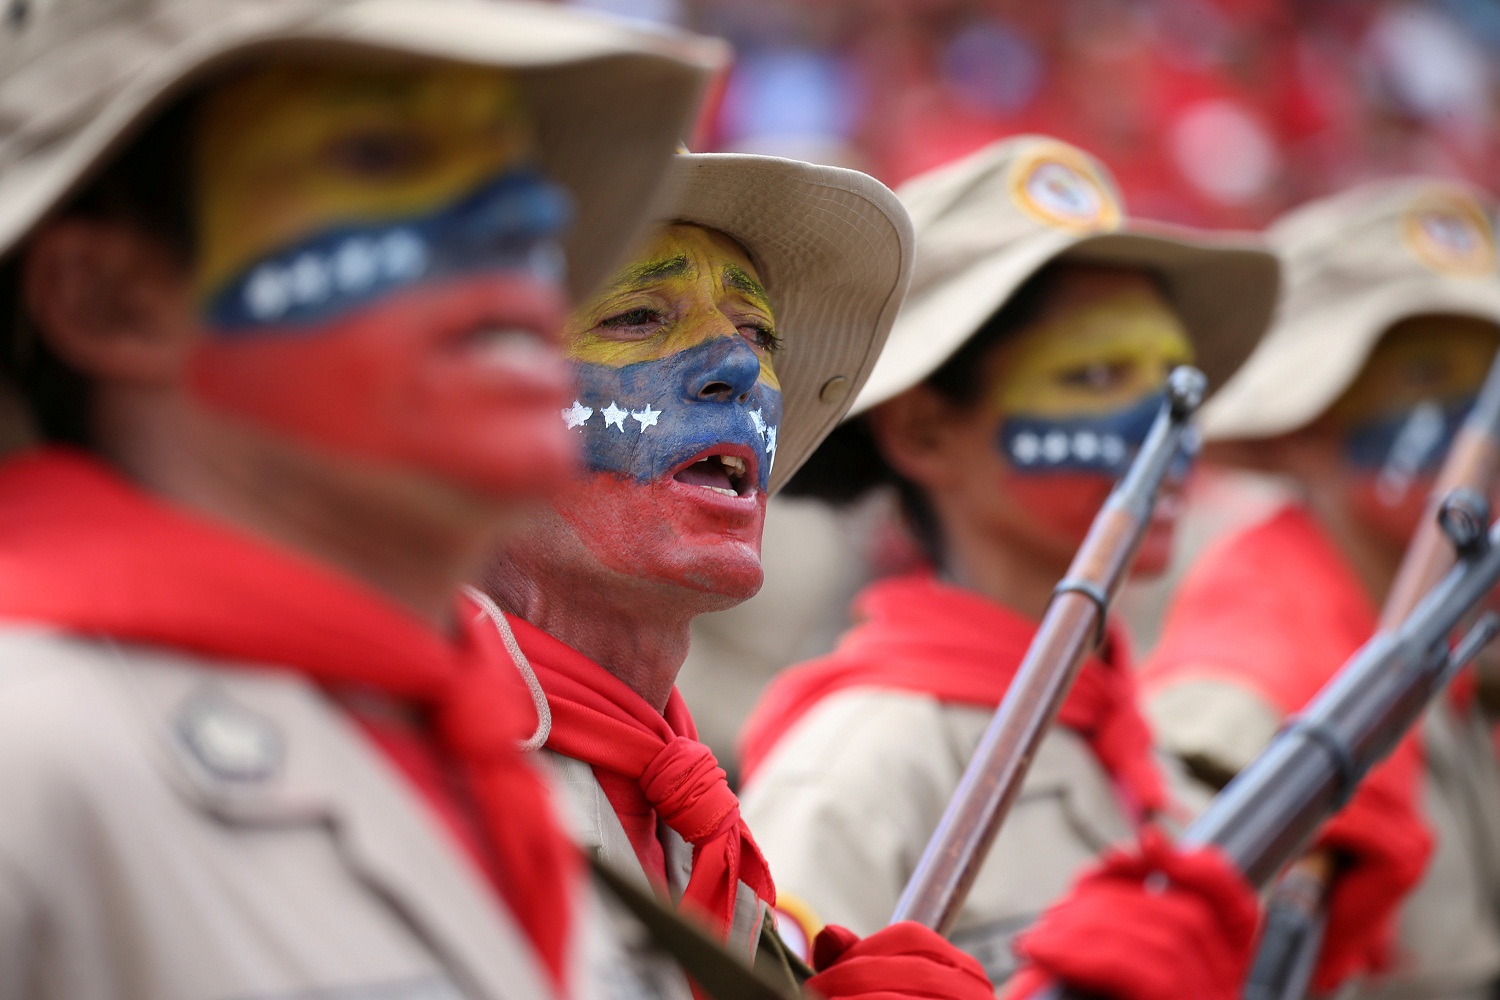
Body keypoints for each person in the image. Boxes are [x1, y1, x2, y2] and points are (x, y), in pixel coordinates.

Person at [0, 1, 724, 997]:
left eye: (513, 168)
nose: (533, 218)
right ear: (108, 298)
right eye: (384, 155)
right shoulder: (30, 768)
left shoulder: (465, 762)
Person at [733, 136, 1428, 997]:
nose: (1169, 425)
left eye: (1179, 381)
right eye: (1097, 374)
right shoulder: (858, 775)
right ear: (922, 432)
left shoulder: (1152, 767)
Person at [471, 150, 1001, 1000]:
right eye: (640, 316)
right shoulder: (405, 778)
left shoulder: (686, 819)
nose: (741, 368)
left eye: (759, 334)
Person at [1143, 177, 1500, 1000]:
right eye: (1428, 375)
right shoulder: (1247, 702)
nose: (1479, 424)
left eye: (1490, 381)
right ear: (1304, 426)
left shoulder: (1444, 631)